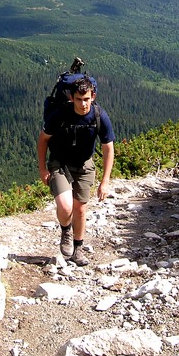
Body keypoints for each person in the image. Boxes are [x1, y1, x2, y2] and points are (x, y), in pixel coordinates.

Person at [37, 75, 115, 266]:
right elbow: (43, 139)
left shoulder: (99, 116)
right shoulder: (60, 114)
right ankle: (66, 230)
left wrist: (105, 181)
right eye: (79, 99)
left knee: (80, 210)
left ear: (93, 96)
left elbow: (108, 148)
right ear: (71, 97)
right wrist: (42, 169)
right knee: (65, 206)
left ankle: (78, 249)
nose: (83, 104)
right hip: (60, 163)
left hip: (84, 165)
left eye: (86, 99)